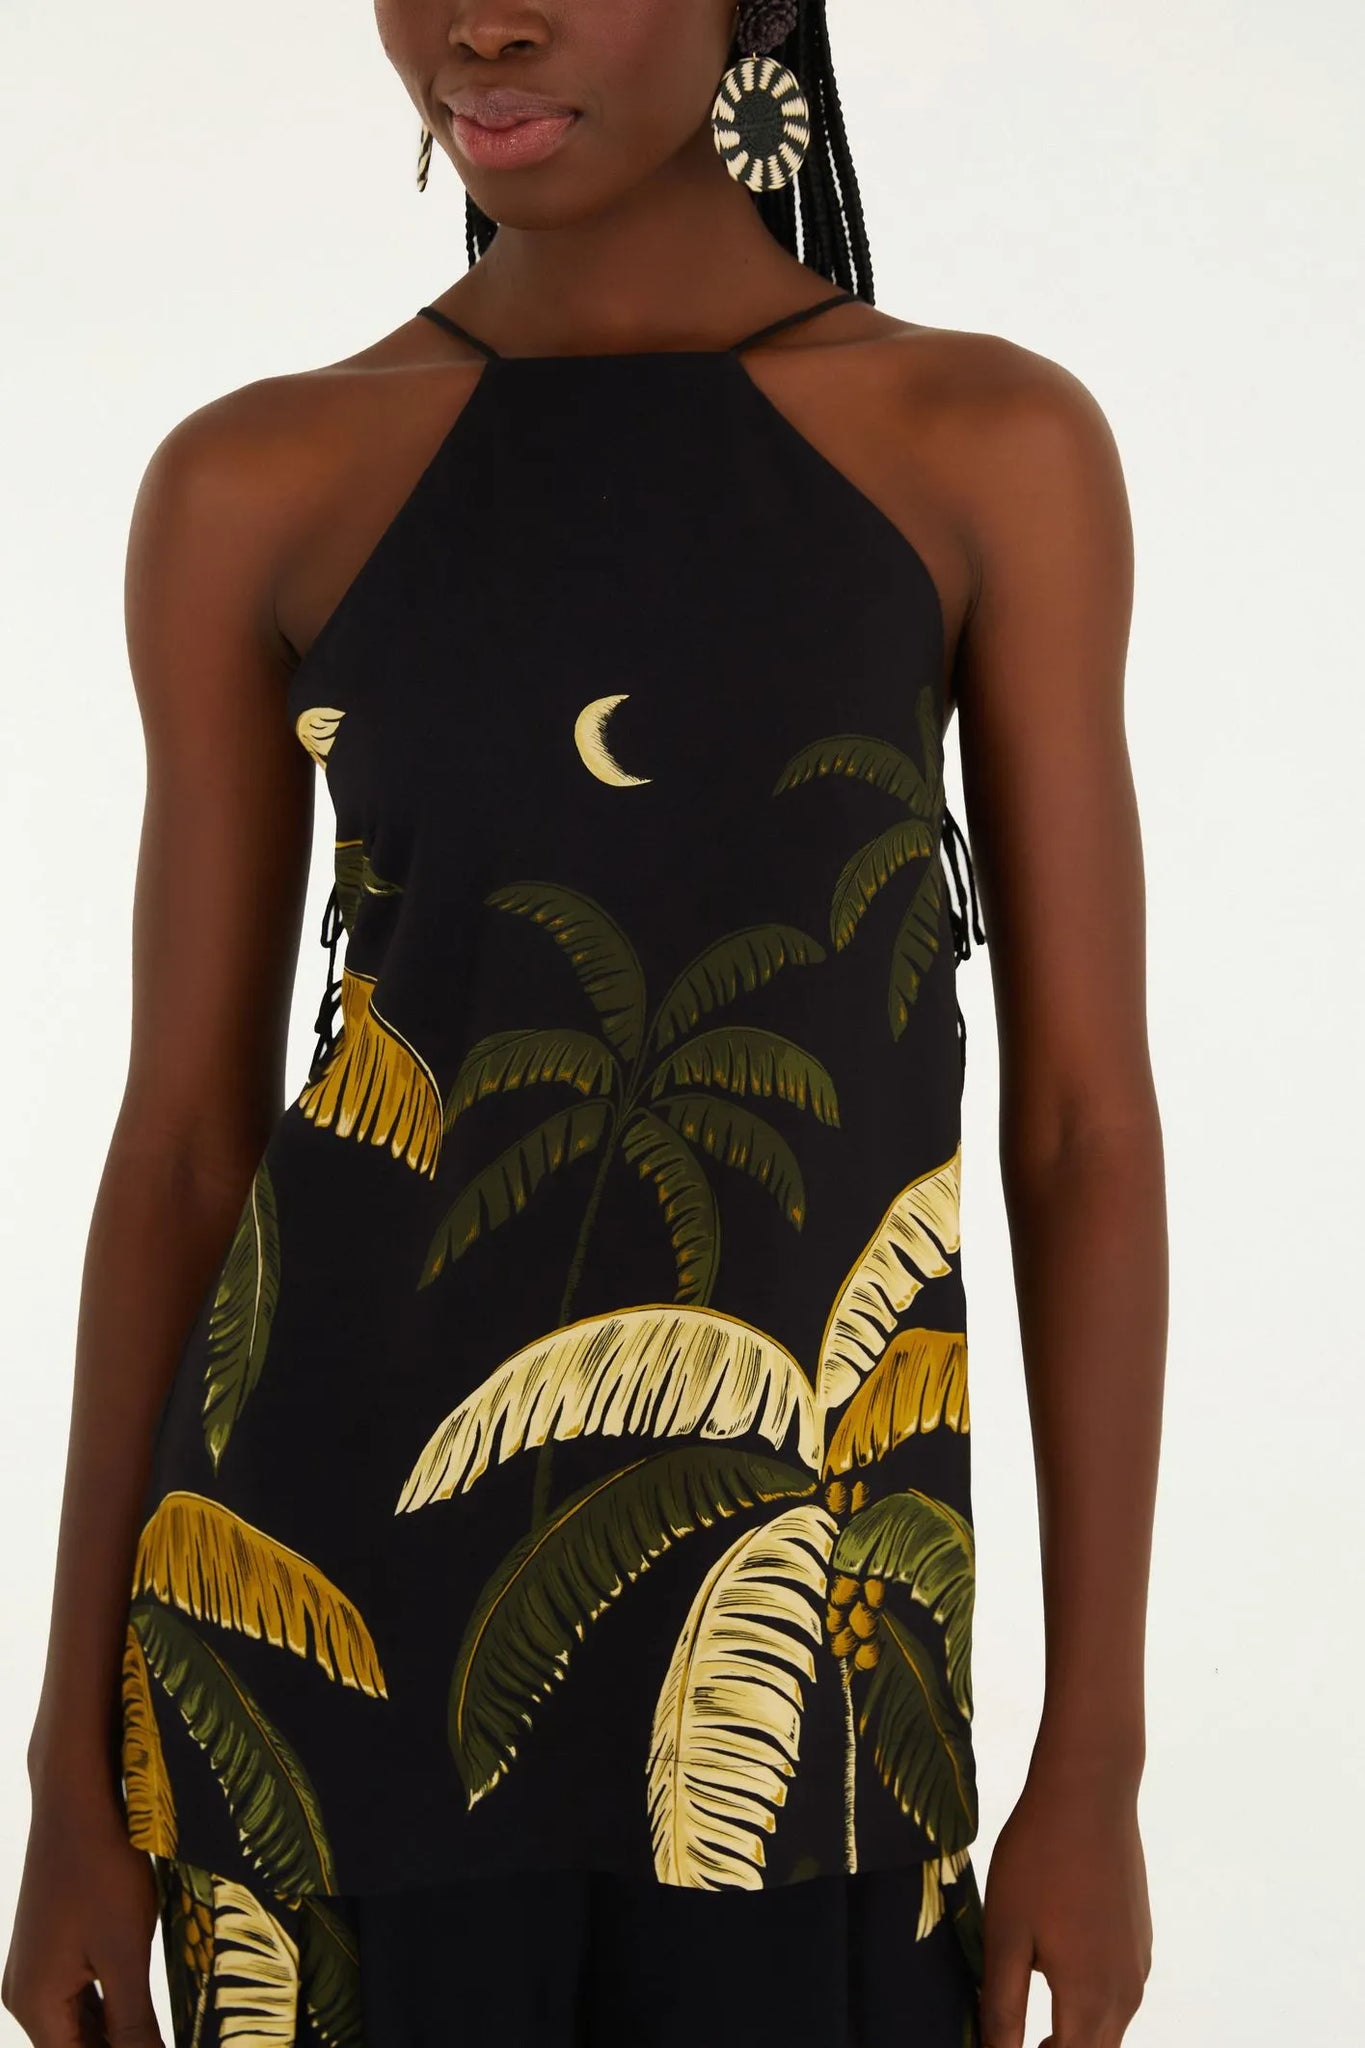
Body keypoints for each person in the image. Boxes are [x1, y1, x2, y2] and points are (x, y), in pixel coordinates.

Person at [3, 2, 1165, 2044]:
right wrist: (65, 1771)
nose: (482, 17)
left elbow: (1080, 1125)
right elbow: (182, 1145)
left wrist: (1096, 1754)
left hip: (799, 1680)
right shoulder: (256, 478)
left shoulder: (985, 446)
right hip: (310, 1681)